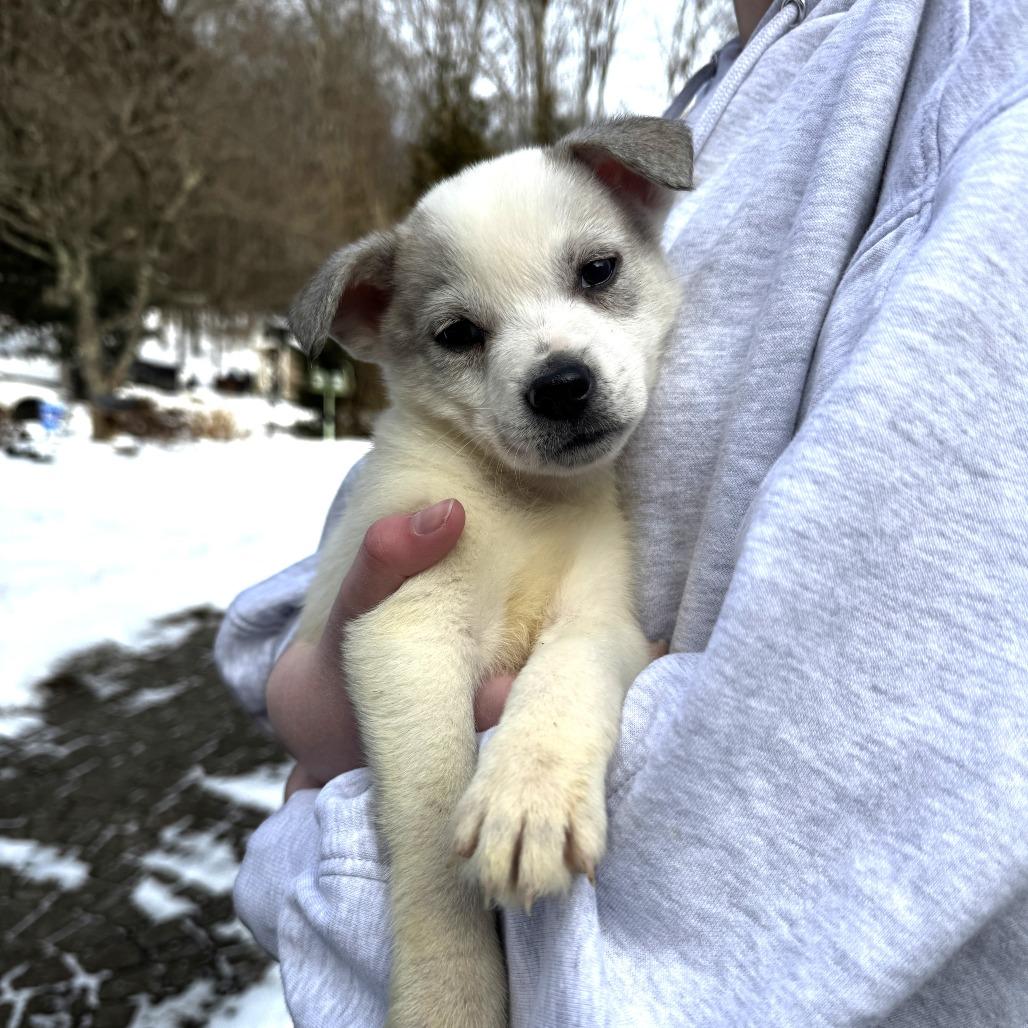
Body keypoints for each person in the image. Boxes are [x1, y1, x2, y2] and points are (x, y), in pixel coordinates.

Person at [215, 0, 1028, 1023]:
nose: (553, 367)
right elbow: (352, 635)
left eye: (594, 275)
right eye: (463, 333)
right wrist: (434, 919)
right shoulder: (450, 465)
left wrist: (514, 744)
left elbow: (599, 639)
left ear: (641, 202)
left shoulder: (979, 82)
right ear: (377, 324)